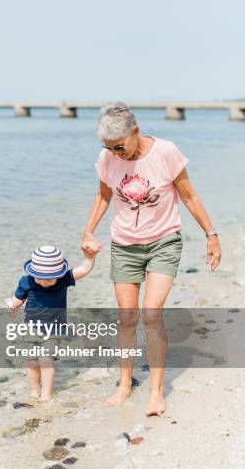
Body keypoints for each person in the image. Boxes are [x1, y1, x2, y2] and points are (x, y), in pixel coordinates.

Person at [82, 102, 221, 416]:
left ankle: (157, 391)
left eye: (120, 146)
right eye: (109, 148)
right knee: (127, 318)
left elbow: (188, 195)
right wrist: (88, 231)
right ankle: (125, 382)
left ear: (136, 131)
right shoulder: (108, 158)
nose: (116, 153)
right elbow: (103, 194)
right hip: (124, 245)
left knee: (152, 313)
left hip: (163, 242)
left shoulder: (166, 152)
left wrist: (211, 234)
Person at [7, 244, 99, 402]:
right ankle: (34, 389)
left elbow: (83, 269)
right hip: (31, 328)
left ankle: (46, 394)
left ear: (59, 274)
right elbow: (19, 298)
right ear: (32, 272)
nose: (44, 282)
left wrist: (89, 258)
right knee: (31, 360)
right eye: (39, 278)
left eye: (49, 279)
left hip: (54, 329)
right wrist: (12, 306)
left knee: (46, 360)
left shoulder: (63, 279)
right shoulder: (26, 281)